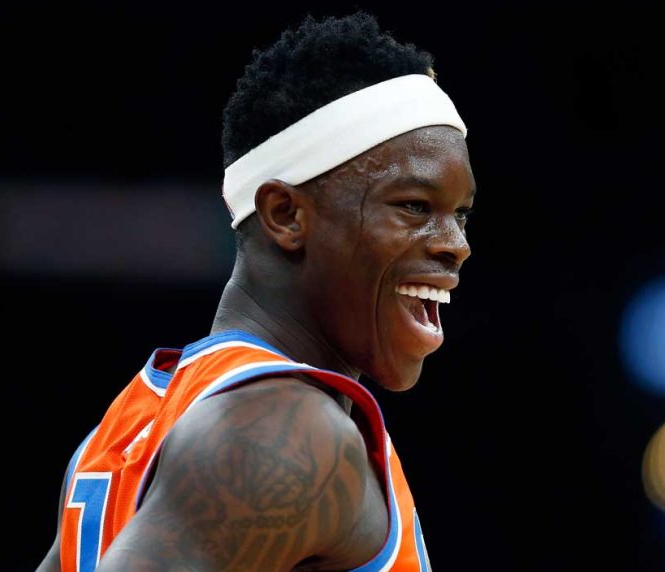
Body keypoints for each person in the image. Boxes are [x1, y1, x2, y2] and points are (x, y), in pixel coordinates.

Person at [37, 10, 475, 572]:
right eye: (414, 206)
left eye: (461, 214)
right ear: (285, 214)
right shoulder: (287, 433)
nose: (456, 245)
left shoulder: (133, 420)